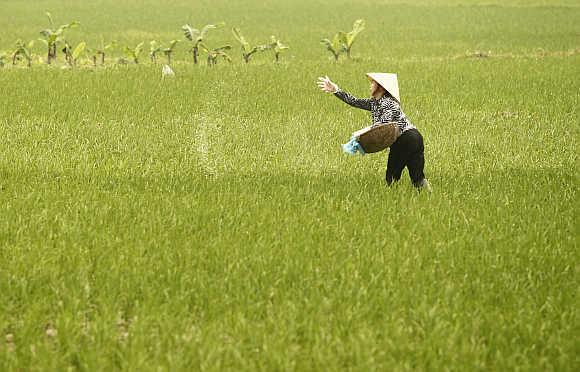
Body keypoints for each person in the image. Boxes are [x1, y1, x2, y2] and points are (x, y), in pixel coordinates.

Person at [317, 73, 432, 192]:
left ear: (381, 88)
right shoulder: (375, 102)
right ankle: (428, 196)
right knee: (417, 177)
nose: (370, 86)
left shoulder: (389, 103)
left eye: (373, 83)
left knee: (391, 178)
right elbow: (354, 101)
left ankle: (392, 200)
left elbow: (384, 126)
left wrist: (361, 133)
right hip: (415, 138)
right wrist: (335, 90)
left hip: (405, 139)